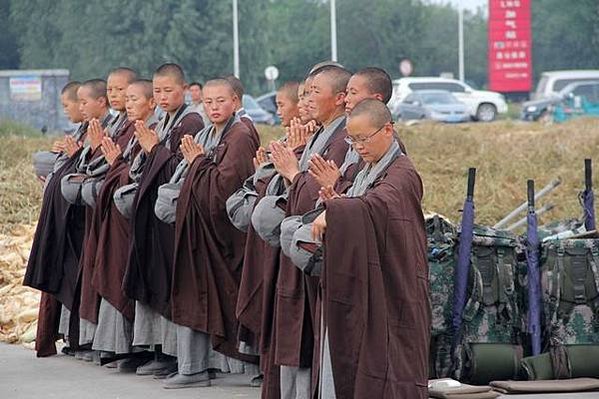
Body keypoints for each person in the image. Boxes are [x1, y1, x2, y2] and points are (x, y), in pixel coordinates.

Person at [311, 99, 430, 398]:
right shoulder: (370, 168)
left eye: (363, 139)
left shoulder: (401, 173)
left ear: (388, 130)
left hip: (396, 282)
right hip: (373, 277)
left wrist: (336, 212)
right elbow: (361, 206)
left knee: (392, 358)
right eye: (353, 140)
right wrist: (338, 204)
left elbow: (378, 204)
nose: (358, 147)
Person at [166, 78, 259, 389]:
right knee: (196, 294)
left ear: (235, 101)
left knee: (223, 296)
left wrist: (198, 163)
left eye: (221, 101)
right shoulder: (214, 132)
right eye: (208, 102)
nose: (214, 107)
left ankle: (237, 368)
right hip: (201, 230)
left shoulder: (241, 135)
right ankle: (196, 367)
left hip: (224, 235)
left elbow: (224, 190)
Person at [266, 64, 351, 399]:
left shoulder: (343, 139)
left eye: (315, 92)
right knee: (296, 326)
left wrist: (293, 173)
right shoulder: (320, 133)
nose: (307, 99)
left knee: (312, 332)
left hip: (317, 247)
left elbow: (326, 192)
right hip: (298, 244)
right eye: (306, 92)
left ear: (341, 98)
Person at [122, 63, 204, 378]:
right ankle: (157, 349)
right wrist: (148, 151)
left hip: (171, 217)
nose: (163, 96)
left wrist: (153, 149)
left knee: (169, 282)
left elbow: (181, 171)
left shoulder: (191, 122)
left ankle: (172, 355)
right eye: (158, 91)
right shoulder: (164, 121)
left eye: (169, 90)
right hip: (153, 215)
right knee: (154, 278)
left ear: (183, 89)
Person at [83, 79, 159, 372]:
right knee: (111, 270)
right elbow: (123, 165)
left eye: (130, 96)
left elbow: (157, 167)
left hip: (140, 218)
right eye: (119, 95)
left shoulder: (169, 126)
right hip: (119, 213)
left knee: (127, 276)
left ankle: (143, 351)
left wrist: (116, 161)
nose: (124, 102)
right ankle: (117, 347)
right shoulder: (127, 126)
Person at [76, 69, 139, 359]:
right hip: (107, 211)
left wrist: (113, 159)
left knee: (118, 273)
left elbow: (139, 166)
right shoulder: (118, 124)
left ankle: (125, 348)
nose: (116, 96)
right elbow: (104, 163)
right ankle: (105, 343)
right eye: (112, 90)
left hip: (128, 214)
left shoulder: (144, 126)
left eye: (121, 91)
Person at [24, 81, 88, 357]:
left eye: (71, 104)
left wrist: (77, 156)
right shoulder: (83, 130)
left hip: (82, 220)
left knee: (78, 278)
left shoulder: (108, 130)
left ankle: (85, 339)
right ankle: (74, 337)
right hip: (68, 216)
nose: (74, 110)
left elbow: (96, 167)